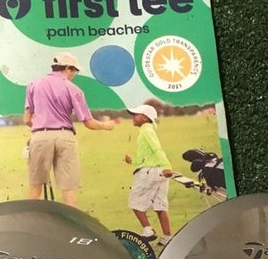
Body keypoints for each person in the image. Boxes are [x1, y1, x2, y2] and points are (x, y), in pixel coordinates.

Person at [24, 52, 114, 207]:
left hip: (40, 136)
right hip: (65, 137)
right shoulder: (73, 89)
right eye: (75, 71)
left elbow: (26, 120)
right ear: (67, 68)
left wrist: (40, 131)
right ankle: (73, 223)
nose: (74, 75)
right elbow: (89, 123)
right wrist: (106, 126)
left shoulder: (34, 84)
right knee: (69, 189)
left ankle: (31, 221)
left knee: (35, 188)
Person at [124, 103, 174, 246]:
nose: (133, 117)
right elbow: (145, 157)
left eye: (136, 115)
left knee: (134, 201)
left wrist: (168, 166)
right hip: (159, 172)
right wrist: (133, 161)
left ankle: (148, 230)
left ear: (145, 118)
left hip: (150, 172)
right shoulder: (147, 130)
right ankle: (167, 237)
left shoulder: (146, 130)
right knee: (160, 205)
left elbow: (157, 149)